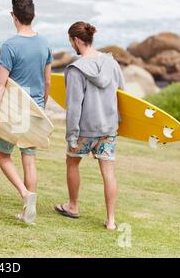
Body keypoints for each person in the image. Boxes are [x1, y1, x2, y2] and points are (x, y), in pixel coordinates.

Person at [0, 0, 53, 224]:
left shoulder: (10, 45)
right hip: (36, 109)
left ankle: (25, 195)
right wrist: (41, 107)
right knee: (29, 159)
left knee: (3, 154)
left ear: (13, 17)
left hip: (13, 111)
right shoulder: (44, 43)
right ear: (32, 16)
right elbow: (47, 82)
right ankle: (28, 211)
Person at [54, 21, 125, 231]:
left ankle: (73, 206)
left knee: (72, 163)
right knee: (108, 172)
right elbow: (122, 93)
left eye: (71, 42)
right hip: (108, 129)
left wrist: (71, 136)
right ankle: (111, 220)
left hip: (85, 130)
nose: (71, 46)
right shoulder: (111, 62)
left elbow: (74, 106)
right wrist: (118, 122)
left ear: (76, 40)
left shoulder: (76, 69)